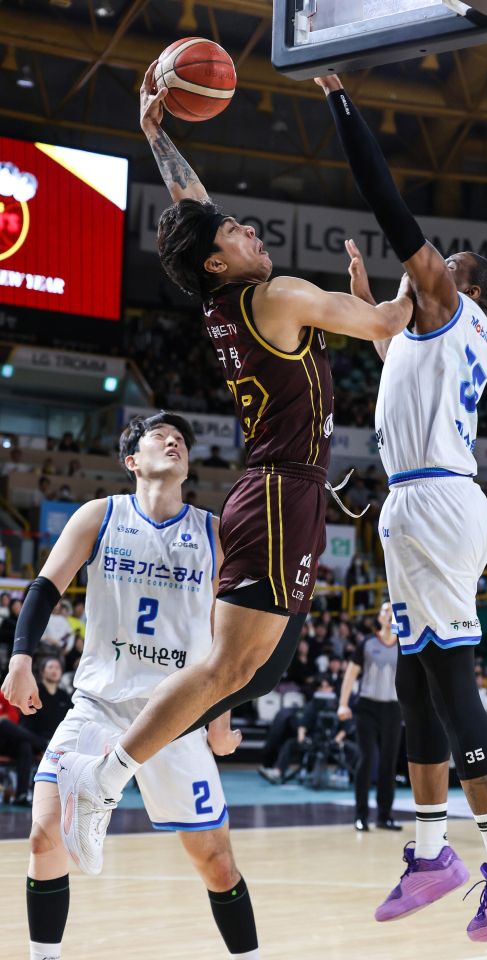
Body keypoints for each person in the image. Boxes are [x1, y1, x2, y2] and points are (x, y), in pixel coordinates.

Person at [2, 63, 412, 879]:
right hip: (277, 490)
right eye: (238, 233)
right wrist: (421, 271)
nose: (250, 230)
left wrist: (157, 134)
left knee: (264, 663)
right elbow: (397, 322)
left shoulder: (229, 299)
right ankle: (104, 779)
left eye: (242, 228)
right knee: (228, 667)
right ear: (220, 264)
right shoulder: (278, 294)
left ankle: (111, 773)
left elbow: (195, 214)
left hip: (284, 493)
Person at [315, 72, 487, 941]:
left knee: (449, 679)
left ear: (466, 288)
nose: (426, 267)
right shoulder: (428, 334)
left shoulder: (452, 308)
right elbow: (379, 330)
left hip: (443, 504)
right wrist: (369, 293)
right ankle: (429, 853)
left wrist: (343, 102)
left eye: (437, 265)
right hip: (415, 506)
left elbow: (389, 203)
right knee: (414, 676)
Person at [1, 412, 261, 960]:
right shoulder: (101, 516)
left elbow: (224, 634)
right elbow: (46, 587)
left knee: (216, 863)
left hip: (179, 715)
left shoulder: (214, 532)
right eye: (159, 437)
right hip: (101, 705)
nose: (174, 441)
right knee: (45, 838)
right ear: (131, 461)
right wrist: (20, 658)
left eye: (181, 440)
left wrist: (220, 720)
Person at [338, 600, 403, 832]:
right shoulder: (366, 643)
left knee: (388, 763)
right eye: (386, 611)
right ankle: (361, 816)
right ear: (379, 617)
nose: (389, 614)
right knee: (367, 761)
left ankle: (384, 816)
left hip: (393, 709)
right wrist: (343, 704)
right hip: (367, 708)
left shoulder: (405, 646)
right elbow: (350, 676)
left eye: (394, 612)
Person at [20, 658, 72, 743]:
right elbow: (26, 722)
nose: (54, 671)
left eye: (57, 668)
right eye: (50, 667)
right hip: (37, 740)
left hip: (59, 740)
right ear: (42, 672)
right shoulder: (34, 692)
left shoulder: (64, 695)